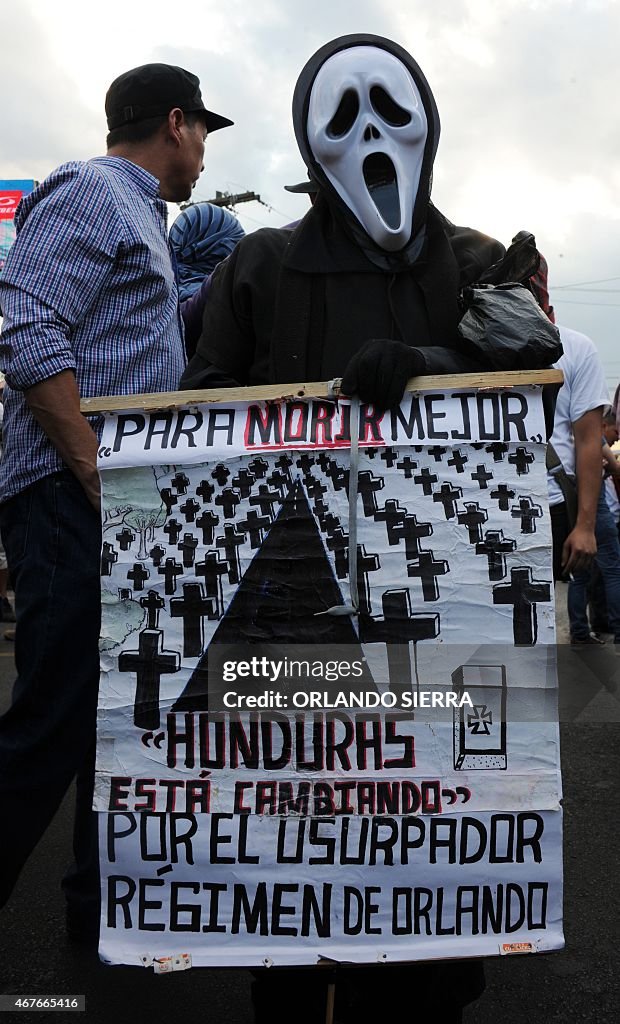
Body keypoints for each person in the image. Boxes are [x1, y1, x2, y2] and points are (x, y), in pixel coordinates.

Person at [180, 33, 560, 1024]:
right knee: (299, 883)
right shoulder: (259, 266)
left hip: (441, 629)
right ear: (310, 143)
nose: (372, 139)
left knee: (430, 890)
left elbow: (529, 364)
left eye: (392, 113)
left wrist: (429, 361)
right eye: (343, 119)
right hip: (292, 626)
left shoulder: (475, 260)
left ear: (427, 126)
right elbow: (201, 407)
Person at [0, 62, 232, 936]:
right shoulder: (96, 189)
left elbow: (133, 337)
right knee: (54, 721)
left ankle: (99, 916)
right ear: (176, 123)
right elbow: (27, 326)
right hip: (71, 499)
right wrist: (96, 469)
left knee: (117, 727)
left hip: (110, 510)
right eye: (204, 131)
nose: (205, 152)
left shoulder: (146, 220)